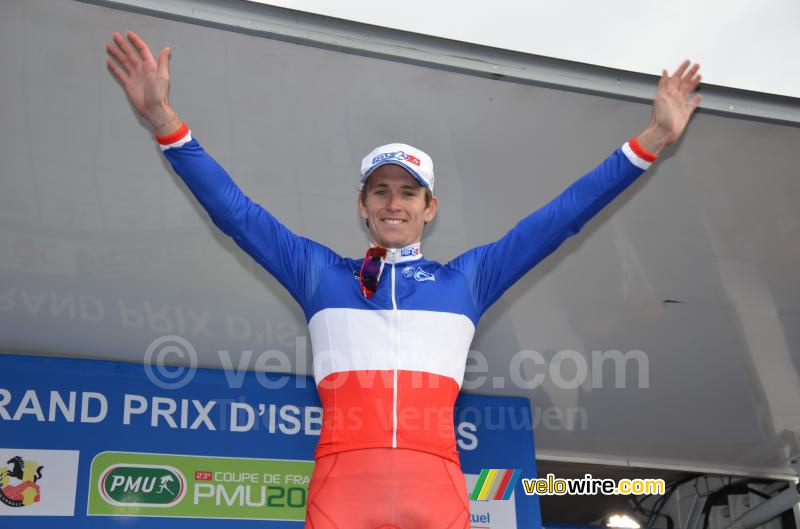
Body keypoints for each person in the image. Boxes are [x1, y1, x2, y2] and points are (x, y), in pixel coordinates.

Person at [106, 30, 701, 529]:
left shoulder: (469, 279)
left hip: (434, 484)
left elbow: (562, 217)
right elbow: (237, 214)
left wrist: (650, 141)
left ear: (429, 207)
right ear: (362, 205)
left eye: (408, 192)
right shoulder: (320, 275)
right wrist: (164, 120)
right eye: (382, 191)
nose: (395, 203)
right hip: (343, 486)